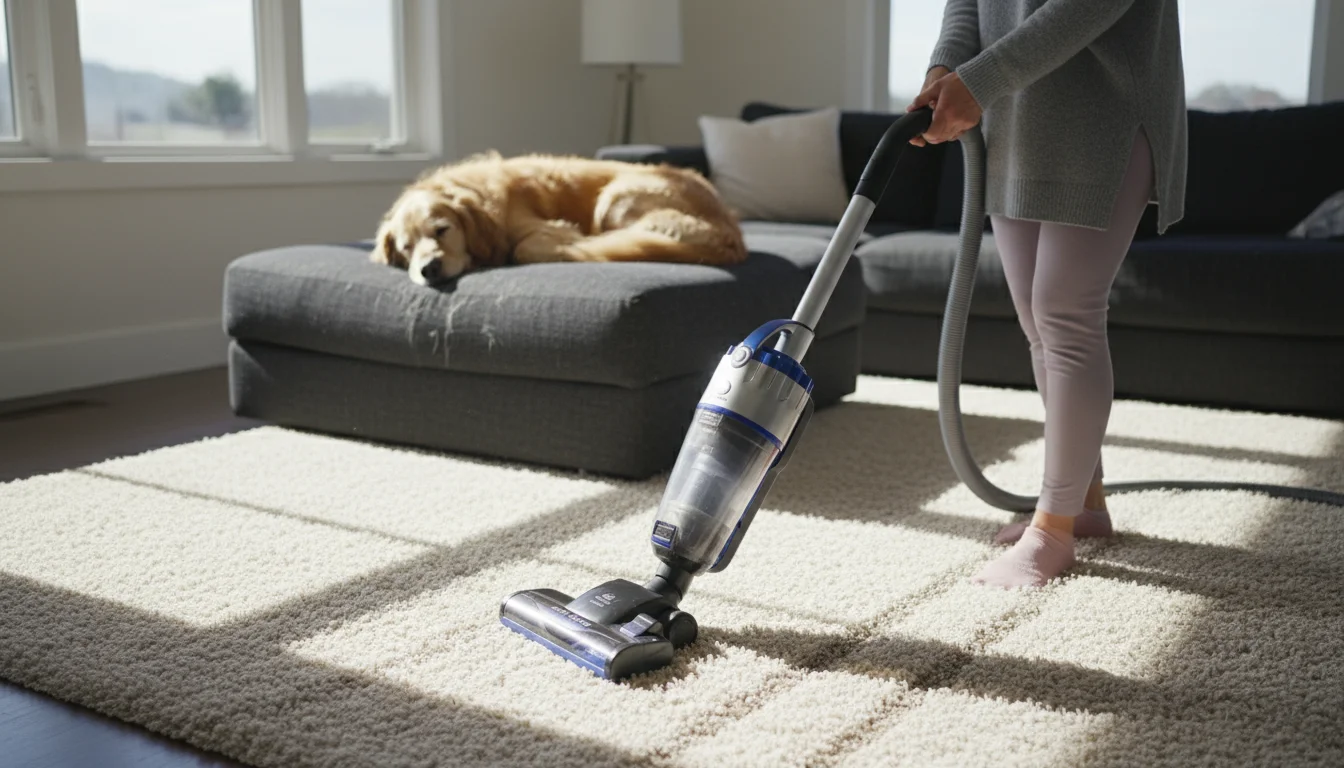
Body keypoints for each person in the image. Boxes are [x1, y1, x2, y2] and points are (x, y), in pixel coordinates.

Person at [906, 0, 1187, 587]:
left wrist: (978, 80)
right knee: (1039, 323)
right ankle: (1084, 501)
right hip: (1016, 114)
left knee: (1066, 314)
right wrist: (945, 67)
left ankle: (1052, 531)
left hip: (1103, 109)